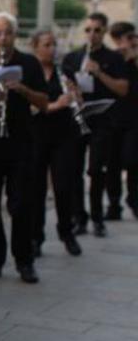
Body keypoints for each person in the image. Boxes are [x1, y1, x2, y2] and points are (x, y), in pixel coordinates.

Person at [0, 12, 48, 284]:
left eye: (8, 33)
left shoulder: (29, 63)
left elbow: (44, 103)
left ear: (15, 35)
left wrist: (22, 90)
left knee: (22, 204)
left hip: (21, 142)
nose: (3, 39)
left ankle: (25, 261)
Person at [61, 13, 129, 237]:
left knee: (96, 169)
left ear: (104, 32)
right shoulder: (72, 57)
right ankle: (79, 217)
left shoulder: (114, 58)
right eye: (88, 30)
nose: (92, 34)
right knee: (73, 170)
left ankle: (98, 217)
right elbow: (65, 86)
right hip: (78, 119)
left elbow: (122, 89)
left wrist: (99, 72)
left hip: (104, 121)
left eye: (97, 30)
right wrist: (72, 90)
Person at [31, 29, 85, 256]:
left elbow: (79, 102)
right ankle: (36, 237)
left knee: (63, 186)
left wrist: (75, 95)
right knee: (36, 189)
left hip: (63, 135)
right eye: (46, 45)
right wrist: (54, 105)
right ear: (35, 47)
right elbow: (29, 107)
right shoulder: (29, 72)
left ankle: (67, 232)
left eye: (54, 44)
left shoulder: (65, 70)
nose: (52, 49)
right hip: (35, 135)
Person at [107, 21, 138, 219]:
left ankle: (133, 200)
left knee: (132, 160)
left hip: (134, 119)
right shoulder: (115, 60)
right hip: (114, 117)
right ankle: (114, 204)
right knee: (112, 164)